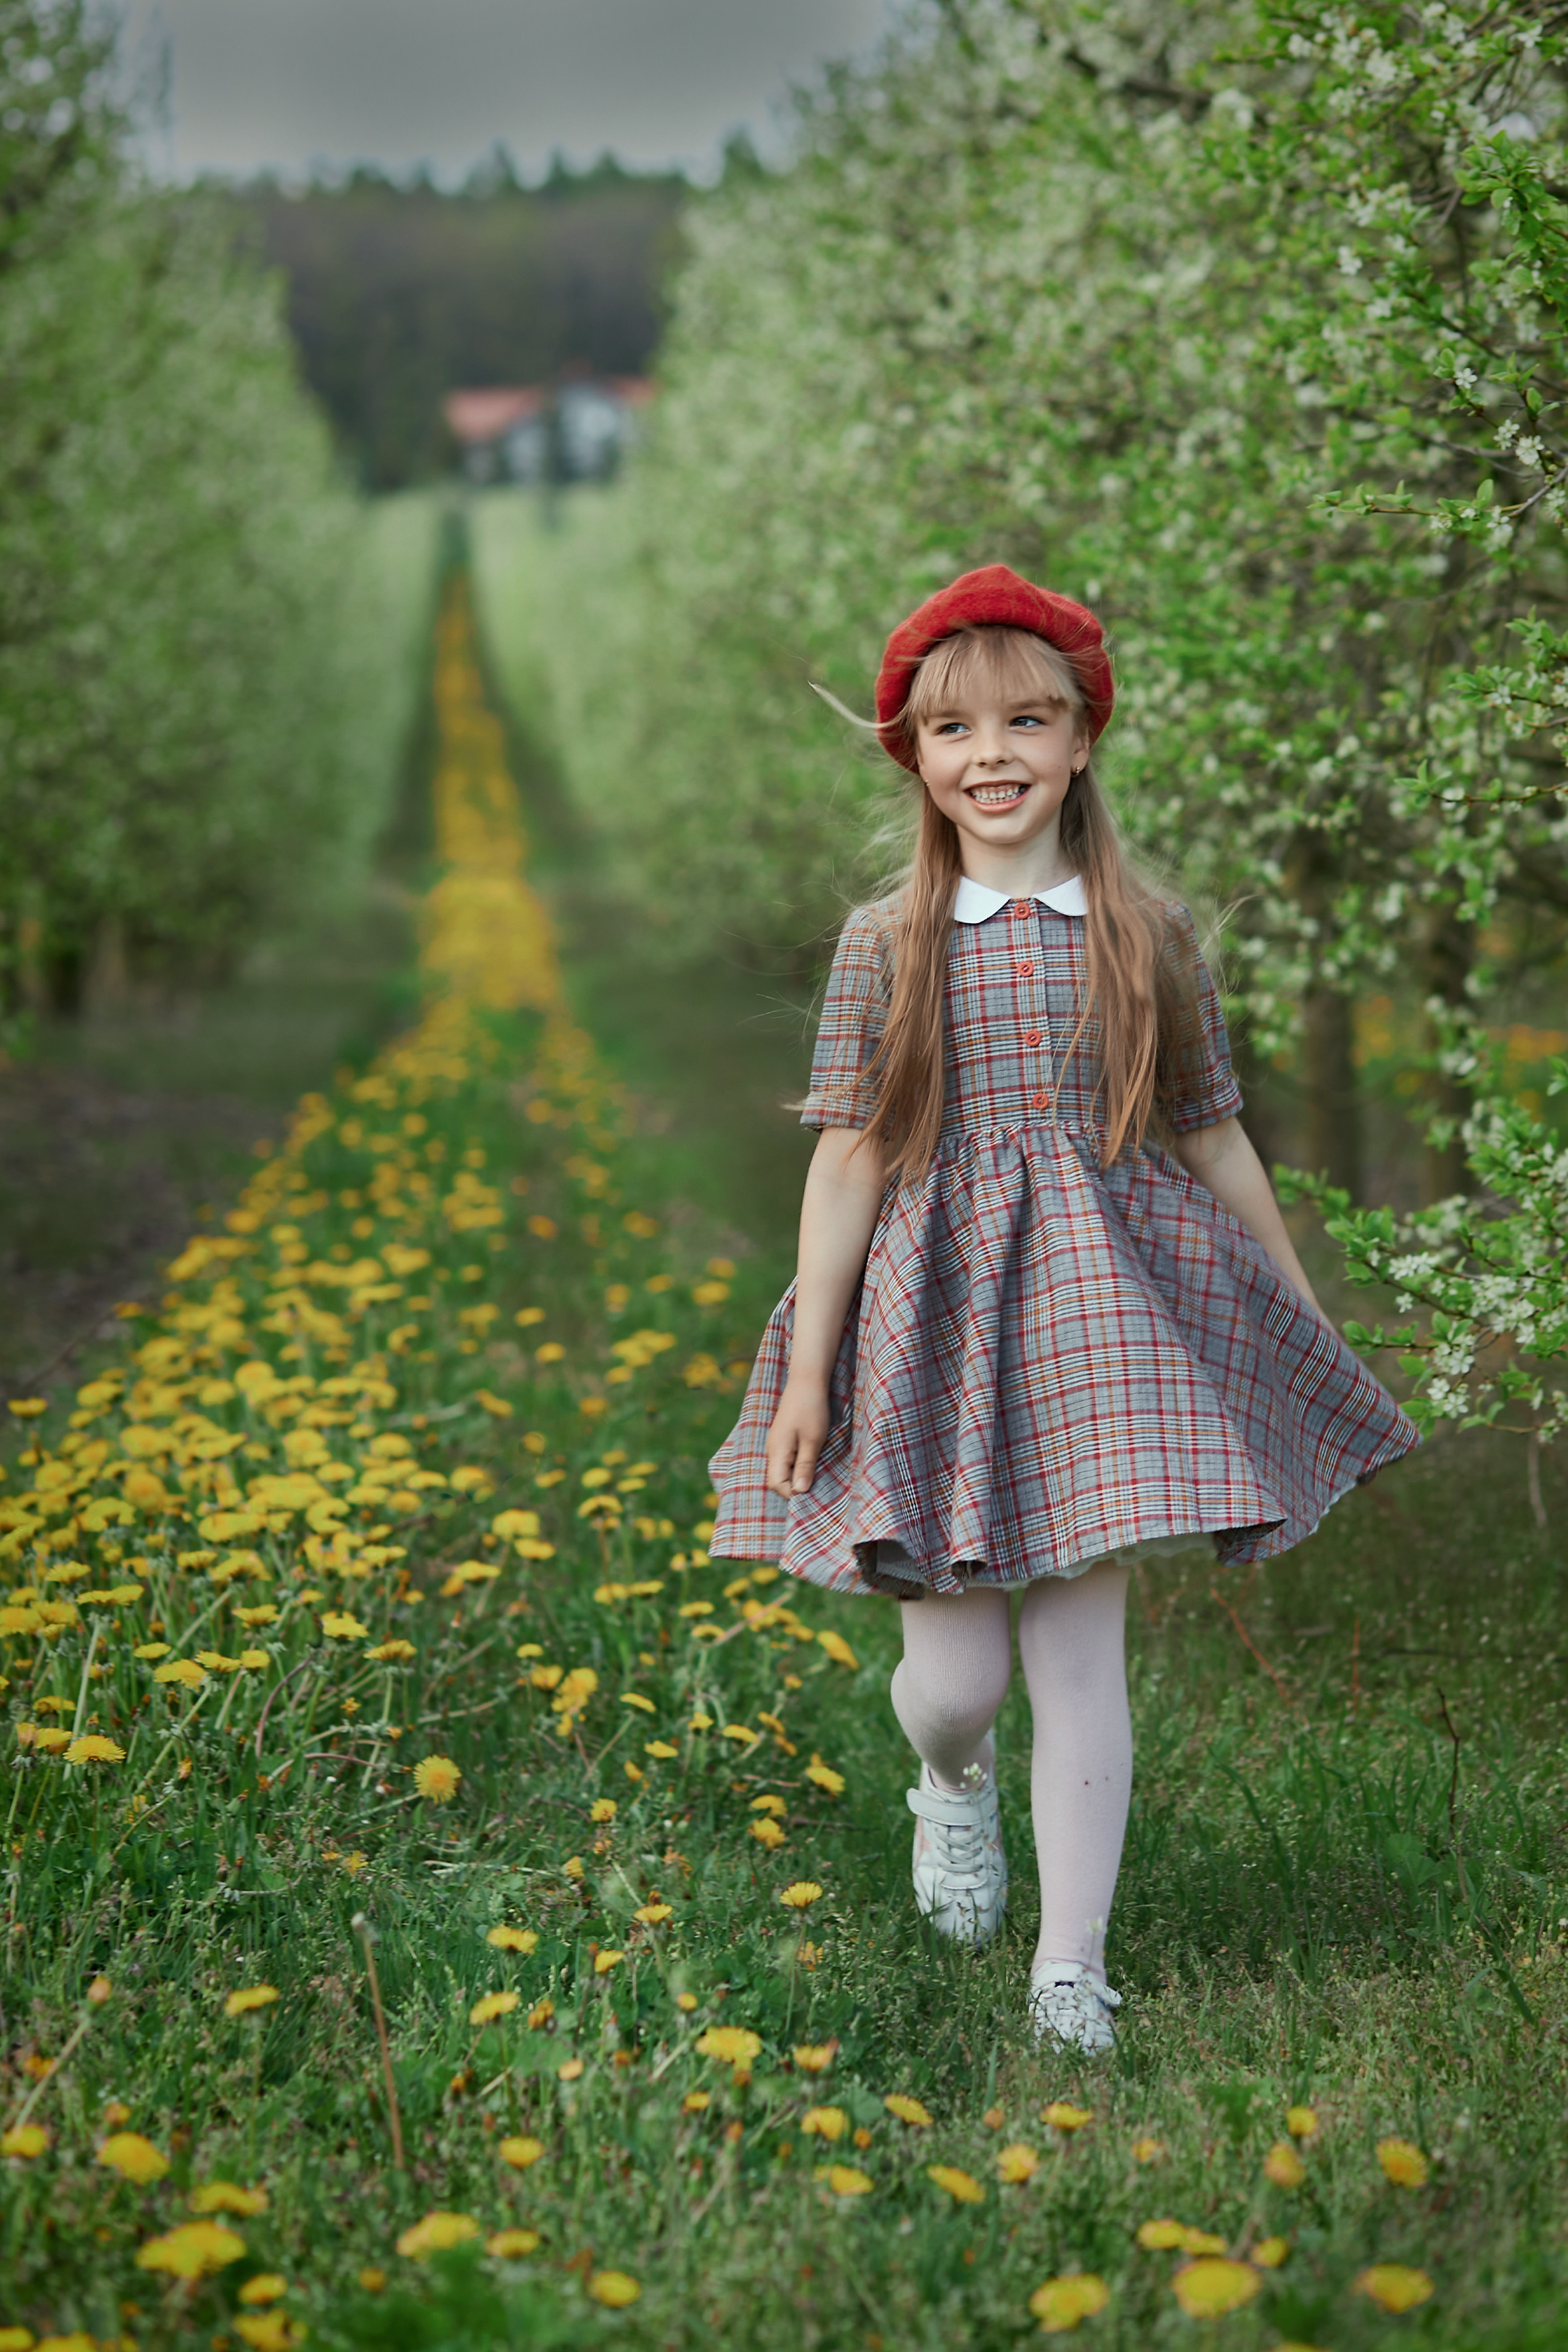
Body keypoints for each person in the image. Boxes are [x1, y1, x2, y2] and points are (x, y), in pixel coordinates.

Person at [708, 566, 1418, 2053]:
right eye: (954, 728)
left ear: (1082, 737)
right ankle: (950, 1784)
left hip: (1104, 1314)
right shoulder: (888, 941)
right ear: (915, 755)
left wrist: (1294, 1318)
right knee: (957, 1678)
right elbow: (848, 1157)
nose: (993, 754)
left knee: (1080, 1653)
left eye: (1026, 720)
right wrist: (810, 1369)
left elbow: (1210, 1135)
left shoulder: (1145, 930)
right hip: (935, 1319)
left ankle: (1069, 1965)